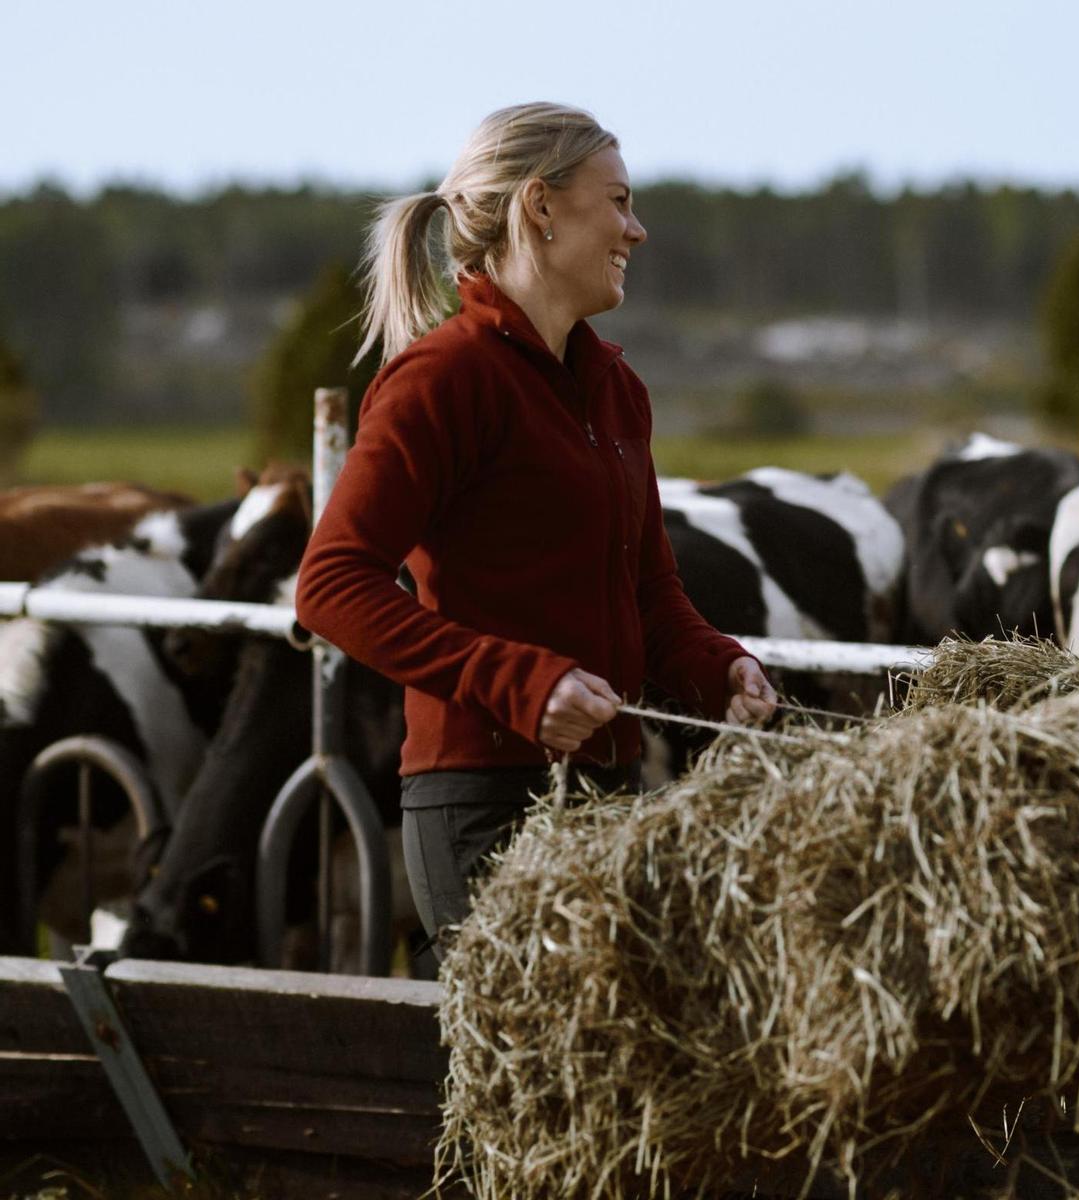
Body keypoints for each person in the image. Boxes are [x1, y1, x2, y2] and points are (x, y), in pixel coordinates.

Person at [294, 103, 777, 943]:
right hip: (482, 805)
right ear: (540, 208)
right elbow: (330, 585)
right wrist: (519, 682)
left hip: (611, 792)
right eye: (619, 201)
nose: (638, 230)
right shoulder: (440, 381)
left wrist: (718, 666)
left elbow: (650, 591)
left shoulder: (618, 390)